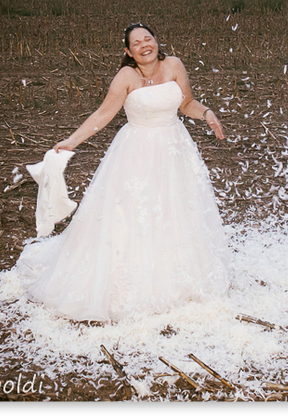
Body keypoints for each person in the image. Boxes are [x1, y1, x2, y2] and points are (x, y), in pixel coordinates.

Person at [15, 23, 230, 322]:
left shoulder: (174, 65)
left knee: (176, 209)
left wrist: (206, 113)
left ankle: (178, 276)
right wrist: (71, 141)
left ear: (156, 41)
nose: (145, 45)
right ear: (129, 51)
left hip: (174, 149)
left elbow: (186, 103)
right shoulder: (126, 77)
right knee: (130, 213)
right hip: (136, 151)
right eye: (137, 43)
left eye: (148, 39)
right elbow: (104, 113)